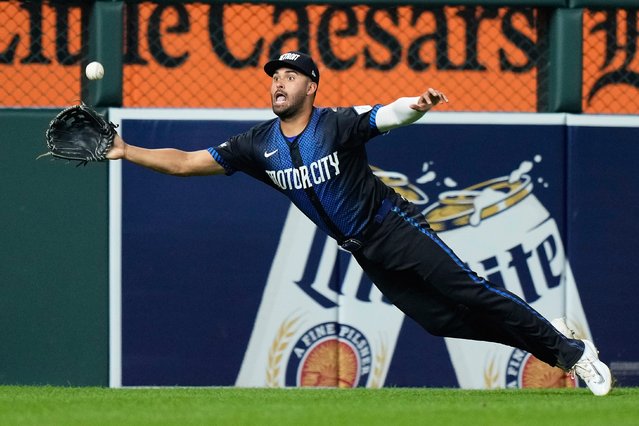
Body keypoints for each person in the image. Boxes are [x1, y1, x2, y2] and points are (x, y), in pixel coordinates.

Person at [107, 51, 612, 396]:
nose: (278, 81)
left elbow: (384, 115)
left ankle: (571, 352)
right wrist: (128, 150)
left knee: (470, 290)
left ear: (312, 86)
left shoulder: (334, 123)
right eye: (274, 75)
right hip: (362, 248)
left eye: (289, 75)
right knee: (437, 321)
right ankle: (551, 338)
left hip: (392, 224)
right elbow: (187, 162)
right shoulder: (256, 144)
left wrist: (415, 106)